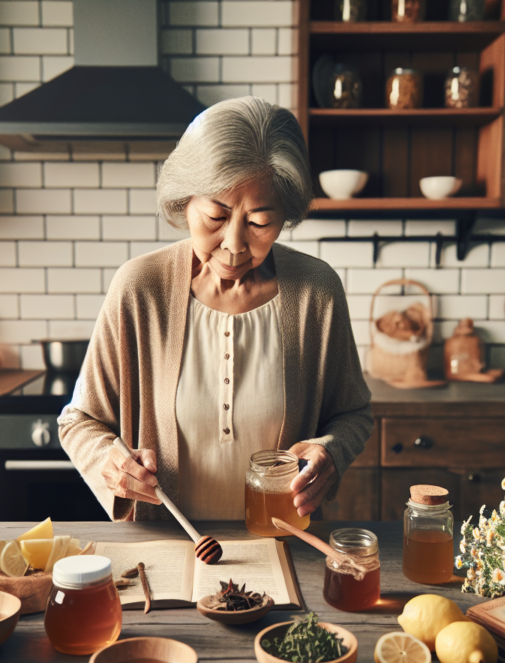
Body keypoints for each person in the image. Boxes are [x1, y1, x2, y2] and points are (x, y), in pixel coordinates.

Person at [58, 96, 373, 522]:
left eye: (260, 222)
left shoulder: (316, 291)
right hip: (165, 550)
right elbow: (79, 420)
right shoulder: (140, 287)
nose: (235, 244)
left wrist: (330, 453)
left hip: (282, 545)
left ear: (285, 217)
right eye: (215, 217)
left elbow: (352, 413)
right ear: (184, 202)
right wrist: (109, 465)